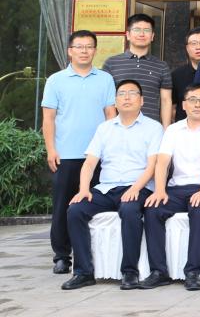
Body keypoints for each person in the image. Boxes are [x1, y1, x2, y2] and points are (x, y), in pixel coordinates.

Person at [61, 79, 163, 291]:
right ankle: (83, 272)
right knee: (75, 210)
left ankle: (129, 272)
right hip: (106, 188)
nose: (127, 97)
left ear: (142, 100)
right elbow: (90, 163)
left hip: (139, 187)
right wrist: (83, 189)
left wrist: (135, 189)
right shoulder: (104, 128)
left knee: (130, 209)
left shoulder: (154, 128)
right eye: (122, 94)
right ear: (115, 101)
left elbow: (153, 165)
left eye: (132, 93)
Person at [41, 30, 116, 275]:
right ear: (70, 51)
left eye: (89, 46)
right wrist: (51, 149)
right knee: (62, 207)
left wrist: (112, 148)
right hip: (66, 155)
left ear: (95, 50)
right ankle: (62, 256)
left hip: (97, 156)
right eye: (79, 47)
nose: (84, 51)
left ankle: (95, 254)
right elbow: (48, 118)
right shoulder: (56, 80)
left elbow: (110, 115)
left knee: (95, 206)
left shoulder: (105, 79)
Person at [142, 82, 200, 291]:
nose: (197, 104)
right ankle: (159, 272)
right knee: (153, 209)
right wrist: (159, 190)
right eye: (192, 100)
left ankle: (192, 272)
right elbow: (162, 161)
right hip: (177, 188)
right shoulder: (173, 130)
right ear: (183, 105)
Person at [103, 13, 172, 125]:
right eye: (137, 30)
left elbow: (166, 100)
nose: (142, 34)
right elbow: (107, 100)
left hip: (151, 128)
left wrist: (166, 129)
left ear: (152, 36)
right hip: (119, 127)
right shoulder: (111, 63)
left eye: (146, 30)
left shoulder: (162, 66)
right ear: (128, 35)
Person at [171, 27, 200, 123]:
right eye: (193, 43)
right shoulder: (176, 75)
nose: (198, 47)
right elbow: (172, 107)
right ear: (187, 48)